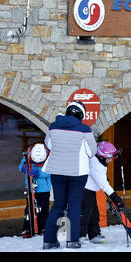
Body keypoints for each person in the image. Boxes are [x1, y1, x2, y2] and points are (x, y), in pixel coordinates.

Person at [41, 100, 97, 249]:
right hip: (77, 173)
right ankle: (72, 241)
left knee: (58, 205)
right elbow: (92, 152)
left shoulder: (53, 126)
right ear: (81, 114)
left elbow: (48, 145)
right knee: (74, 205)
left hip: (57, 172)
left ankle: (49, 241)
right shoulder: (85, 129)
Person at [80, 141, 124, 244]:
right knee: (86, 214)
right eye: (109, 158)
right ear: (102, 157)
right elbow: (103, 184)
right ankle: (80, 236)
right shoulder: (96, 165)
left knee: (94, 214)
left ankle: (94, 234)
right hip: (85, 191)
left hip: (90, 191)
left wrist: (105, 179)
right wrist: (115, 197)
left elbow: (101, 178)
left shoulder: (98, 162)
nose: (111, 160)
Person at [19, 143, 51, 237]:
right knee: (29, 208)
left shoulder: (50, 157)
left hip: (44, 189)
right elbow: (21, 166)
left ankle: (43, 227)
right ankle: (28, 228)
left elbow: (51, 171)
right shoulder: (28, 155)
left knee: (43, 208)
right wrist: (24, 168)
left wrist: (38, 173)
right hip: (30, 187)